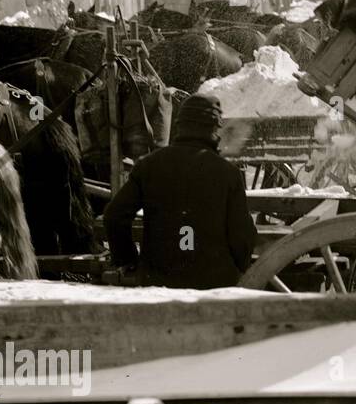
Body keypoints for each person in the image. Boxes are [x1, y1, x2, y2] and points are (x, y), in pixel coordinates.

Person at [104, 93, 257, 288]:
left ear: (179, 126)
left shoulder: (149, 166)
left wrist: (128, 260)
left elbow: (114, 216)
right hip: (214, 287)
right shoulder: (228, 174)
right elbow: (242, 237)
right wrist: (239, 266)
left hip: (158, 284)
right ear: (214, 129)